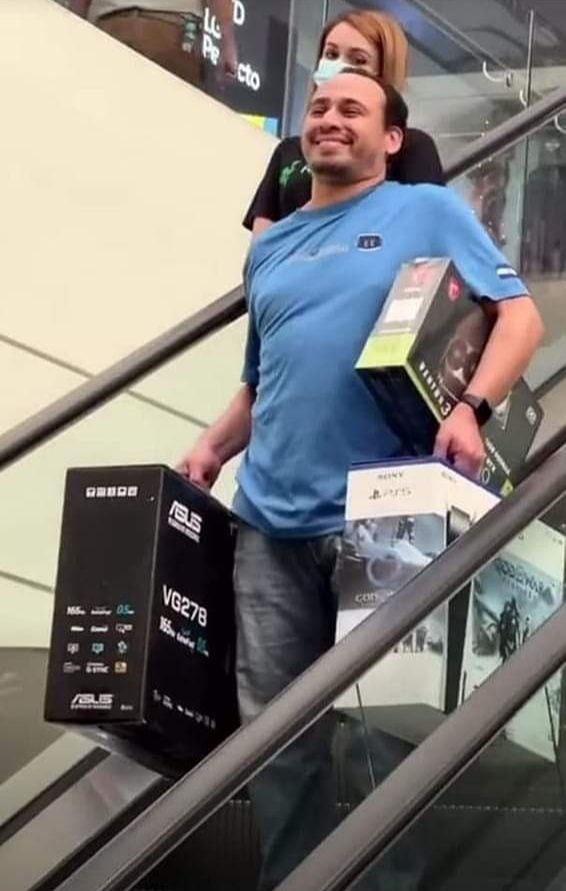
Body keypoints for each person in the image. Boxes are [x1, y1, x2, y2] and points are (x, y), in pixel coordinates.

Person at [178, 70, 544, 890]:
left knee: (386, 744)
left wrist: (473, 410)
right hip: (268, 524)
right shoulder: (270, 247)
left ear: (391, 138)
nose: (330, 119)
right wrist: (210, 449)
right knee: (276, 742)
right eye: (318, 108)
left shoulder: (425, 211)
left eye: (353, 109)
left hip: (390, 515)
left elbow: (521, 317)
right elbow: (260, 382)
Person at [244, 10, 444, 237]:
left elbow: (425, 233)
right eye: (331, 54)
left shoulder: (412, 148)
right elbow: (262, 245)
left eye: (359, 60)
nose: (341, 67)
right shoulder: (288, 151)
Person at [69, 0, 237, 87]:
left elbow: (78, 4)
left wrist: (72, 33)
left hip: (108, 30)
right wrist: (227, 43)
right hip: (169, 35)